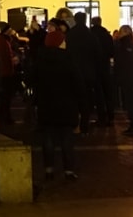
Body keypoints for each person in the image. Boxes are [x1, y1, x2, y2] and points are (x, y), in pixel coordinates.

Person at [33, 28, 80, 180]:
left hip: (46, 105)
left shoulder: (40, 59)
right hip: (66, 105)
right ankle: (68, 171)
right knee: (67, 139)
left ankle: (49, 169)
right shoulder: (69, 60)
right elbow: (77, 83)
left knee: (48, 139)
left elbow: (33, 81)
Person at [112, 25, 133, 136]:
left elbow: (117, 59)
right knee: (132, 102)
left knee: (130, 103)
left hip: (125, 77)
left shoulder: (119, 45)